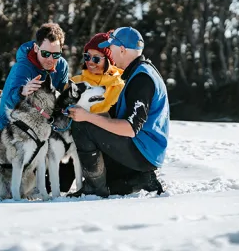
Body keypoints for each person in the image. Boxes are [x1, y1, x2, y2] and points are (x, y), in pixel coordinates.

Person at [67, 26, 170, 197]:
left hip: (143, 152)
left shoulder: (142, 79)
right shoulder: (137, 72)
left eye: (111, 48)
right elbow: (114, 116)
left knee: (82, 126)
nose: (110, 52)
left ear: (122, 50)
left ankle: (94, 187)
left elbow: (129, 128)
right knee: (112, 183)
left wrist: (87, 117)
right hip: (143, 150)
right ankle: (141, 179)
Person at [0, 22, 70, 131]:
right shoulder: (23, 68)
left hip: (43, 124)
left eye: (56, 55)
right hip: (11, 126)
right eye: (45, 53)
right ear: (36, 48)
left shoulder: (62, 66)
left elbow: (61, 99)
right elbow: (8, 103)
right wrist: (22, 92)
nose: (50, 59)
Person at [70, 32, 125, 114]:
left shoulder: (121, 89)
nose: (90, 62)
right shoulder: (74, 82)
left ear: (109, 61)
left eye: (96, 58)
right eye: (87, 56)